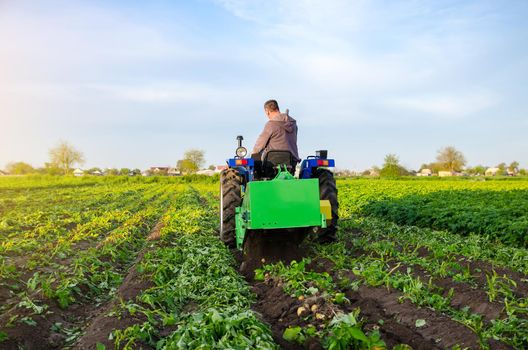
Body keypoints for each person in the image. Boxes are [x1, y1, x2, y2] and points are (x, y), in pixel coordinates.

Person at [251, 100, 299, 174]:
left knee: (255, 156)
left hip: (272, 166)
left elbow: (259, 145)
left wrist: (253, 152)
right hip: (291, 163)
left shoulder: (271, 124)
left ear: (267, 111)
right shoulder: (293, 124)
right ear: (277, 108)